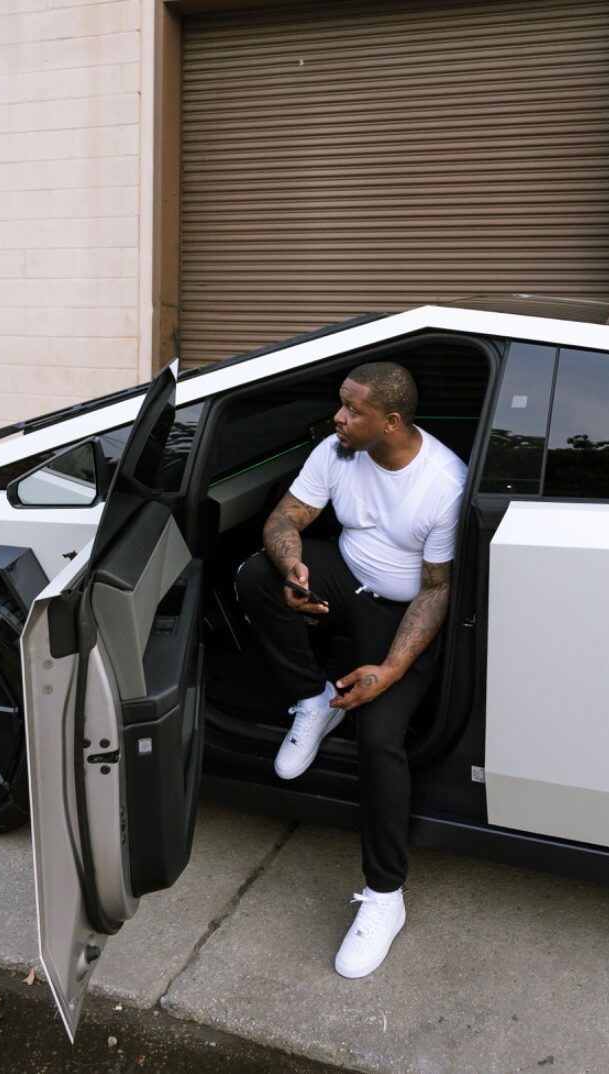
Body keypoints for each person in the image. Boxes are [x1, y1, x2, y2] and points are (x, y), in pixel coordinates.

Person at [234, 360, 467, 978]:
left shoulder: (444, 483)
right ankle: (311, 699)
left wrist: (391, 667)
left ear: (390, 421)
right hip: (345, 577)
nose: (337, 417)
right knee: (256, 574)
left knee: (379, 737)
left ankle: (385, 896)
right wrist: (291, 569)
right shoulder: (337, 450)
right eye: (341, 404)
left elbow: (437, 590)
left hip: (403, 614)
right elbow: (284, 518)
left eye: (351, 409)